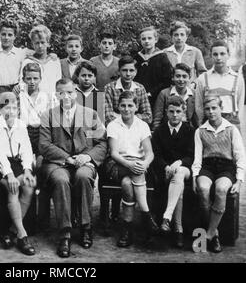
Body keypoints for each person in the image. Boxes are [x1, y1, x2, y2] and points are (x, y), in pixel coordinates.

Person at [39, 78, 107, 258]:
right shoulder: (48, 115)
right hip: (58, 163)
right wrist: (67, 158)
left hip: (83, 161)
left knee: (84, 176)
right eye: (62, 93)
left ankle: (86, 226)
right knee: (61, 180)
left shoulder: (90, 114)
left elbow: (101, 143)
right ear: (56, 95)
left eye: (69, 92)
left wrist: (88, 156)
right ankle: (65, 233)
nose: (66, 96)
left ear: (75, 93)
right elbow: (44, 145)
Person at [103, 90, 158, 248]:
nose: (126, 109)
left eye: (130, 105)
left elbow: (149, 153)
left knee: (127, 184)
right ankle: (146, 215)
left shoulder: (142, 125)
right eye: (123, 106)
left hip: (138, 165)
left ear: (136, 107)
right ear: (118, 107)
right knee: (135, 172)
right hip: (117, 164)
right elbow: (113, 153)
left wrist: (145, 163)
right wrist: (131, 165)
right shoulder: (113, 125)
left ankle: (126, 230)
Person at [192, 93, 245, 253]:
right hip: (207, 166)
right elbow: (197, 158)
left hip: (226, 167)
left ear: (221, 108)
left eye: (214, 108)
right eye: (207, 109)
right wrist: (194, 177)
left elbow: (240, 156)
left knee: (221, 190)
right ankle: (214, 233)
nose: (211, 112)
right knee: (203, 189)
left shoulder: (231, 129)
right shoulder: (200, 131)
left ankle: (209, 234)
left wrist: (239, 180)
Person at [0, 92, 37, 256]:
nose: (11, 111)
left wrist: (27, 170)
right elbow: (0, 154)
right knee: (13, 189)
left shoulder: (21, 125)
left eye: (14, 107)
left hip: (17, 164)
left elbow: (26, 150)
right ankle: (22, 235)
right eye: (7, 107)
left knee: (30, 185)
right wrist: (9, 175)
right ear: (0, 109)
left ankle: (11, 231)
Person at [151, 95, 195, 248]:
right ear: (166, 112)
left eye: (178, 111)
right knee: (178, 186)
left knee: (179, 173)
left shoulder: (190, 131)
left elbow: (191, 155)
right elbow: (155, 155)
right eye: (171, 111)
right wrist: (165, 167)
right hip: (165, 172)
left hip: (185, 170)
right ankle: (178, 230)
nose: (175, 115)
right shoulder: (159, 131)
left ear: (183, 112)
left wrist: (179, 162)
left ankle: (167, 218)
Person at [195, 40, 244, 130]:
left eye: (222, 54)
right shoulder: (203, 78)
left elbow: (240, 105)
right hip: (209, 124)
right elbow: (199, 105)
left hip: (231, 125)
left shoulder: (237, 79)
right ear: (211, 56)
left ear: (228, 55)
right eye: (215, 54)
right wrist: (201, 125)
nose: (218, 57)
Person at [0, 19, 27, 111]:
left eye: (10, 35)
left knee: (12, 121)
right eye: (3, 34)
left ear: (15, 36)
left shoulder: (20, 54)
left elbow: (24, 76)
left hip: (14, 92)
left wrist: (20, 86)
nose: (6, 37)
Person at [12, 62, 52, 160]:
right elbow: (14, 114)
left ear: (40, 79)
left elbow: (50, 117)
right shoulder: (19, 93)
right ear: (23, 80)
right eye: (28, 78)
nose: (32, 82)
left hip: (41, 132)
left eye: (35, 78)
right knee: (23, 160)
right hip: (23, 131)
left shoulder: (46, 95)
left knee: (40, 162)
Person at [104, 55, 151, 126]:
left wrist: (122, 116)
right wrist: (134, 116)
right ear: (119, 71)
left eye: (131, 70)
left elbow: (148, 117)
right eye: (124, 70)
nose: (128, 74)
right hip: (116, 130)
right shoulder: (109, 88)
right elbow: (108, 117)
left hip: (135, 129)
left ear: (135, 72)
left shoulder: (140, 88)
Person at [134, 26, 173, 109]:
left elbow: (167, 80)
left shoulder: (162, 57)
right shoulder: (137, 58)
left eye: (149, 38)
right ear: (140, 41)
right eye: (143, 39)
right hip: (138, 97)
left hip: (157, 97)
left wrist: (151, 93)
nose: (146, 41)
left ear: (155, 40)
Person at [153, 63, 197, 130]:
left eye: (184, 76)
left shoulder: (194, 94)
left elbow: (197, 117)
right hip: (168, 130)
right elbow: (157, 119)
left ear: (189, 78)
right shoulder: (164, 94)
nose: (181, 80)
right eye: (178, 76)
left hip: (188, 130)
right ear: (172, 78)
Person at [21, 25, 62, 97]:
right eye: (37, 43)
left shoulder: (54, 61)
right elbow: (22, 84)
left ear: (48, 43)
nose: (40, 46)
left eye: (42, 42)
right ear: (32, 44)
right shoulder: (27, 62)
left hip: (52, 100)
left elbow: (58, 83)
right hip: (34, 100)